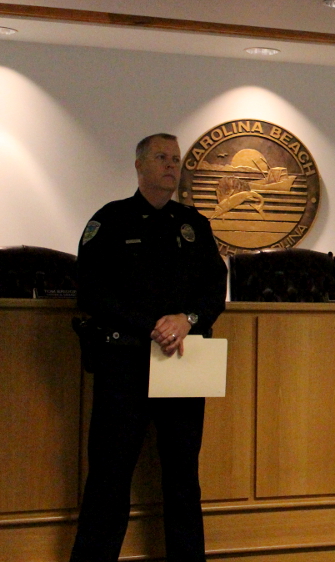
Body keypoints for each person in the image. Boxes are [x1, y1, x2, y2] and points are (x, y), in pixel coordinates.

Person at [70, 133, 227, 562]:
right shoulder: (111, 220)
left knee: (182, 477)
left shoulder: (194, 224)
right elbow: (92, 291)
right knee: (109, 475)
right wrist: (151, 326)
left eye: (175, 159)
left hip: (182, 360)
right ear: (139, 166)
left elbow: (215, 290)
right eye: (161, 157)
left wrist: (187, 320)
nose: (171, 165)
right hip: (124, 362)